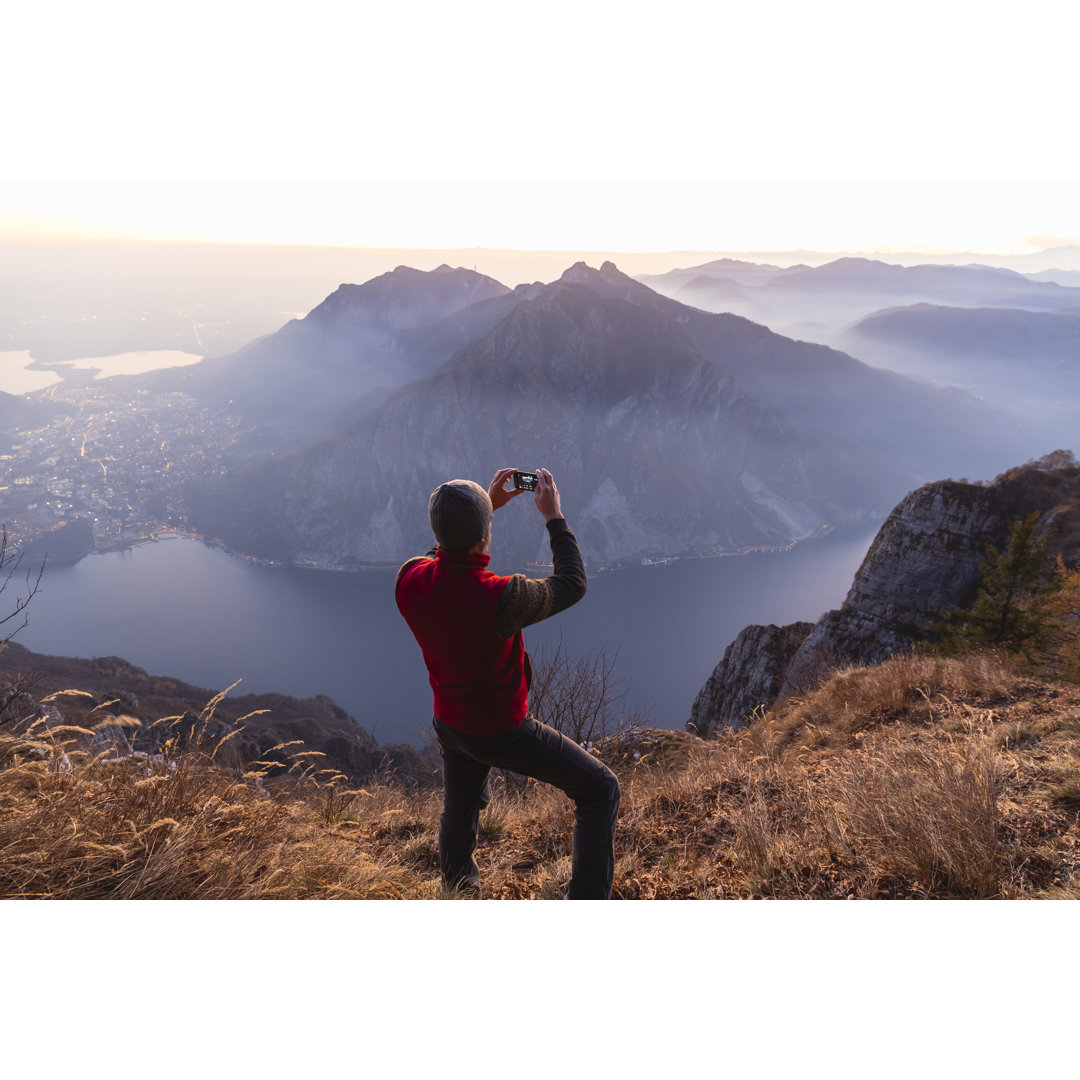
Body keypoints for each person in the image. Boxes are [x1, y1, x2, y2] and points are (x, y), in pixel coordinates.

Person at [395, 466, 620, 899]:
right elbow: (572, 585)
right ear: (484, 537)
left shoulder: (408, 581)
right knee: (600, 789)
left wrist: (487, 510)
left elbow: (434, 560)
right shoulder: (501, 596)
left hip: (450, 724)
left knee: (459, 809)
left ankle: (459, 892)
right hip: (502, 731)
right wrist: (553, 516)